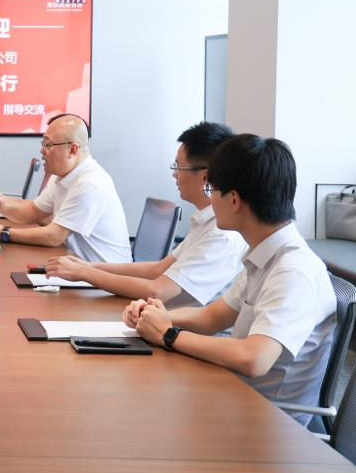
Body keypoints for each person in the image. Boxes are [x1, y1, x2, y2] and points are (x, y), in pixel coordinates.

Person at [126, 134, 336, 424]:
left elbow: (254, 358)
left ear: (234, 199)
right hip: (232, 398)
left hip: (267, 425)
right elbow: (213, 317)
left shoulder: (293, 271)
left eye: (212, 189)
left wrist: (168, 334)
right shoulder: (264, 255)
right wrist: (157, 315)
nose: (210, 198)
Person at [43, 122, 244, 305]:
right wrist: (88, 266)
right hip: (159, 318)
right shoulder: (207, 221)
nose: (174, 174)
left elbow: (157, 291)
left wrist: (84, 273)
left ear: (205, 176)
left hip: (179, 328)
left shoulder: (221, 236)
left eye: (178, 167)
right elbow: (158, 269)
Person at [0, 114, 131, 261]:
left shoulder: (89, 184)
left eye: (48, 145)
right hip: (74, 264)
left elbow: (54, 237)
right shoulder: (62, 175)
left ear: (72, 150)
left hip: (105, 275)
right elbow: (33, 211)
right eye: (43, 144)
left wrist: (2, 233)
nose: (42, 150)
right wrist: (2, 206)